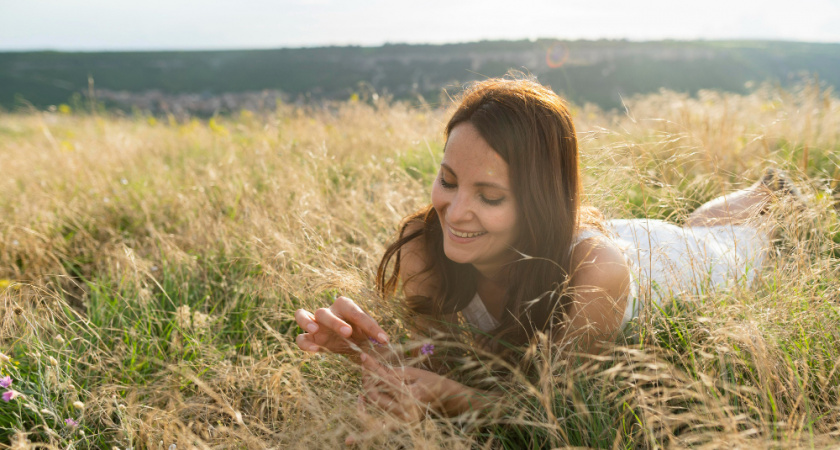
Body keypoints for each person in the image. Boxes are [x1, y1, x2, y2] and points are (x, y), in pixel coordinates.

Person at [293, 77, 802, 423]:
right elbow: (446, 354)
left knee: (725, 240)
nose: (455, 211)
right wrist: (383, 351)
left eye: (489, 196)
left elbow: (555, 408)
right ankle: (764, 191)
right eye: (448, 181)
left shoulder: (596, 273)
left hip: (662, 265)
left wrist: (454, 400)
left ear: (539, 201)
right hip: (600, 237)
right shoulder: (424, 252)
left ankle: (775, 195)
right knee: (694, 223)